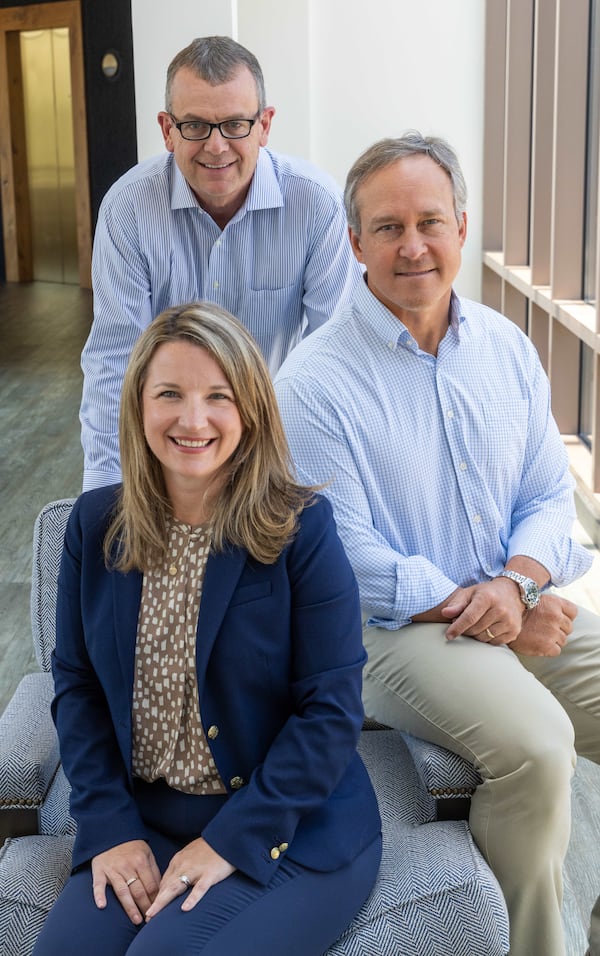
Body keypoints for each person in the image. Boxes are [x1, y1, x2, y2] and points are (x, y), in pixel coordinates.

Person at [274, 131, 600, 956]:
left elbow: (546, 495)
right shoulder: (311, 384)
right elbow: (345, 556)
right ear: (355, 244)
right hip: (386, 635)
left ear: (461, 224)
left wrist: (518, 585)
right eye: (388, 228)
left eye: (430, 221)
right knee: (536, 748)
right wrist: (499, 607)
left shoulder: (507, 349)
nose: (412, 246)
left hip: (505, 600)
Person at [34, 302, 381, 956]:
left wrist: (229, 842)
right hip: (146, 820)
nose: (193, 419)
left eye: (218, 396)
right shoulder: (93, 526)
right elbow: (76, 687)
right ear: (140, 405)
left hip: (290, 826)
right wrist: (109, 826)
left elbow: (331, 711)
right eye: (170, 394)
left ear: (249, 411)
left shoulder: (302, 530)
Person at [80, 35, 362, 492]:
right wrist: (107, 493)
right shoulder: (128, 208)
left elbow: (338, 355)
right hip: (169, 445)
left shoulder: (317, 204)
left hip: (277, 442)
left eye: (235, 124)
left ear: (265, 125)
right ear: (167, 130)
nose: (216, 146)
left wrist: (321, 484)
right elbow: (115, 361)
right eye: (194, 125)